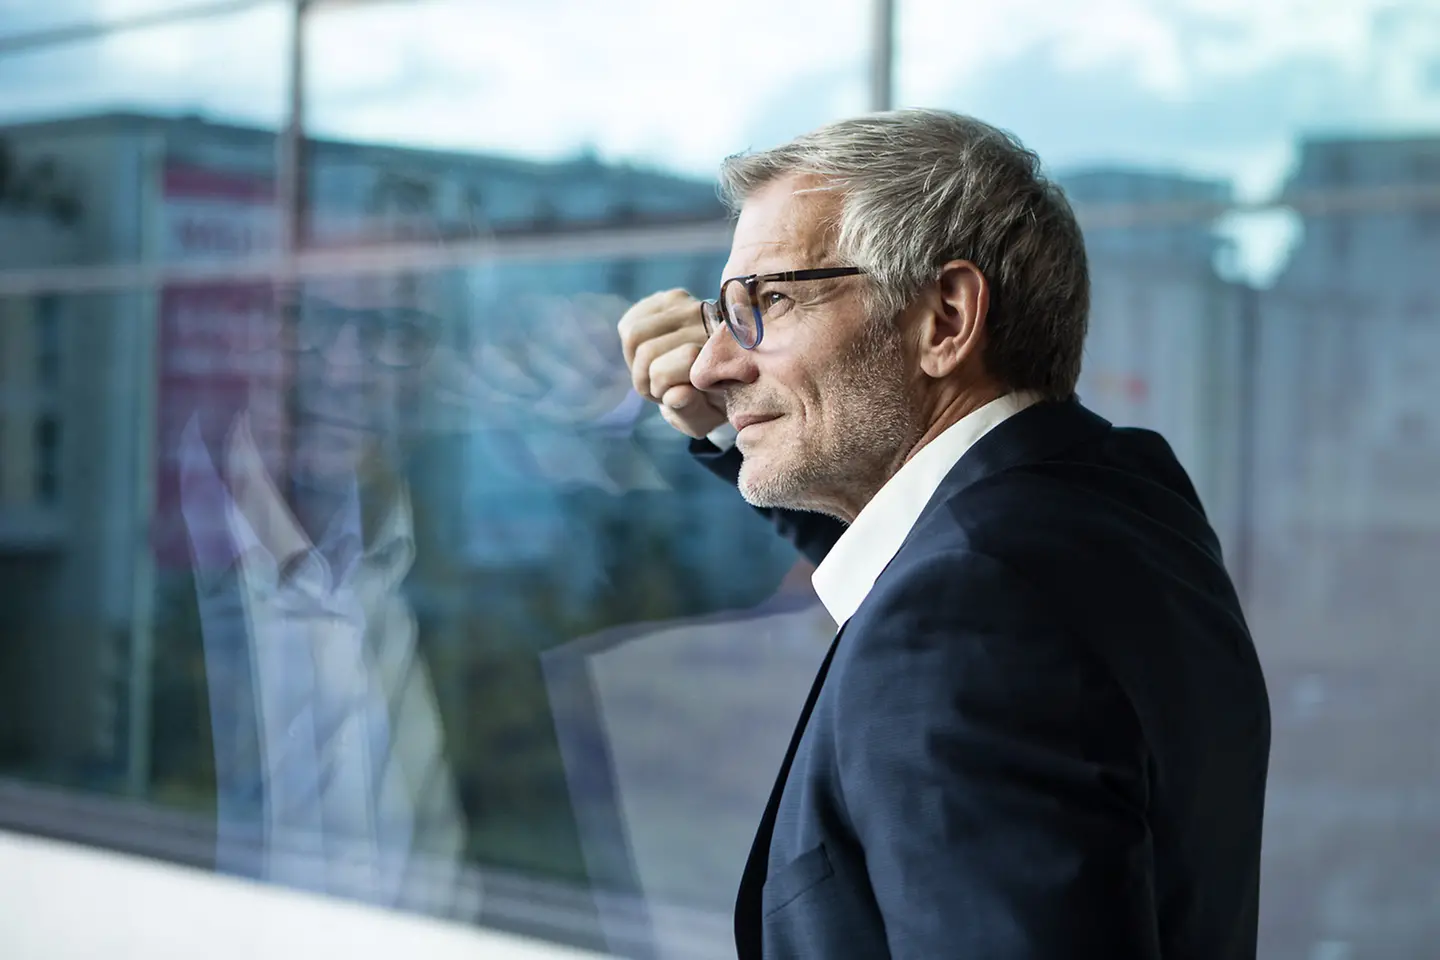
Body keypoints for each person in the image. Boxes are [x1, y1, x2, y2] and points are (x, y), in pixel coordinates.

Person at [617, 109, 1271, 960]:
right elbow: (923, 546)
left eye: (770, 300)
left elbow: (945, 598)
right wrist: (729, 430)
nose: (710, 363)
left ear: (946, 318)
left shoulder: (965, 613)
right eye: (727, 312)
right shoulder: (1121, 497)